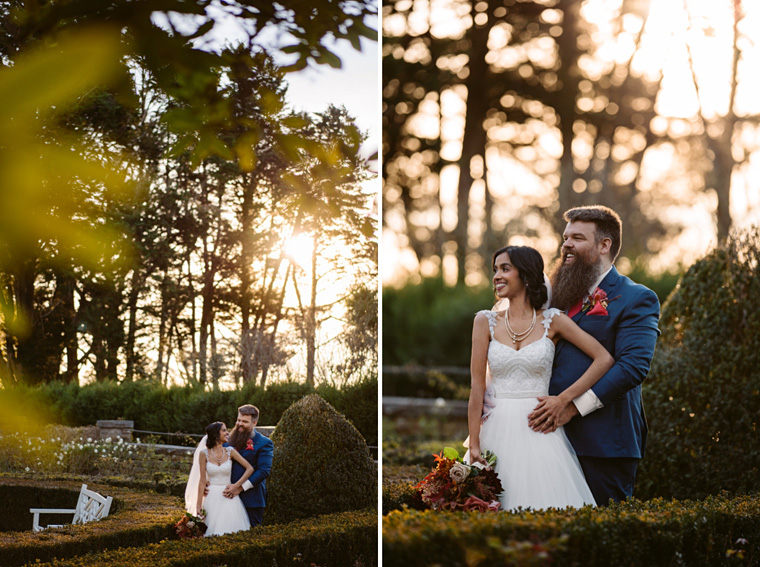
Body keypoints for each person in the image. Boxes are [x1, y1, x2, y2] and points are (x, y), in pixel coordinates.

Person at [527, 205, 660, 505]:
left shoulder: (636, 298)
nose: (566, 245)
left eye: (577, 238)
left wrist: (572, 407)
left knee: (599, 536)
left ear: (604, 245)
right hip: (547, 440)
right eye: (565, 238)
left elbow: (632, 368)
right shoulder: (553, 296)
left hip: (603, 444)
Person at [468, 245, 613, 511]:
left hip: (541, 427)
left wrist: (564, 398)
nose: (496, 276)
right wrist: (474, 442)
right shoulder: (484, 321)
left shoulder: (553, 320)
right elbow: (477, 386)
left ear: (525, 275)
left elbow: (603, 358)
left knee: (546, 507)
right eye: (495, 270)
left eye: (505, 269)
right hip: (495, 431)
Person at [185, 421, 253, 536]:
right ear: (216, 435)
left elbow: (250, 468)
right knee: (211, 532)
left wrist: (236, 485)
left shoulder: (230, 451)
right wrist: (198, 506)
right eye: (224, 430)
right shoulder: (203, 454)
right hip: (211, 498)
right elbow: (202, 480)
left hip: (229, 497)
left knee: (232, 531)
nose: (227, 433)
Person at [223, 404, 273, 527]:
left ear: (254, 423)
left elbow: (263, 471)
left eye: (245, 421)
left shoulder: (264, 443)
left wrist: (240, 488)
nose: (240, 424)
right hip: (226, 496)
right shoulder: (227, 440)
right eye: (238, 420)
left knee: (249, 535)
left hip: (251, 500)